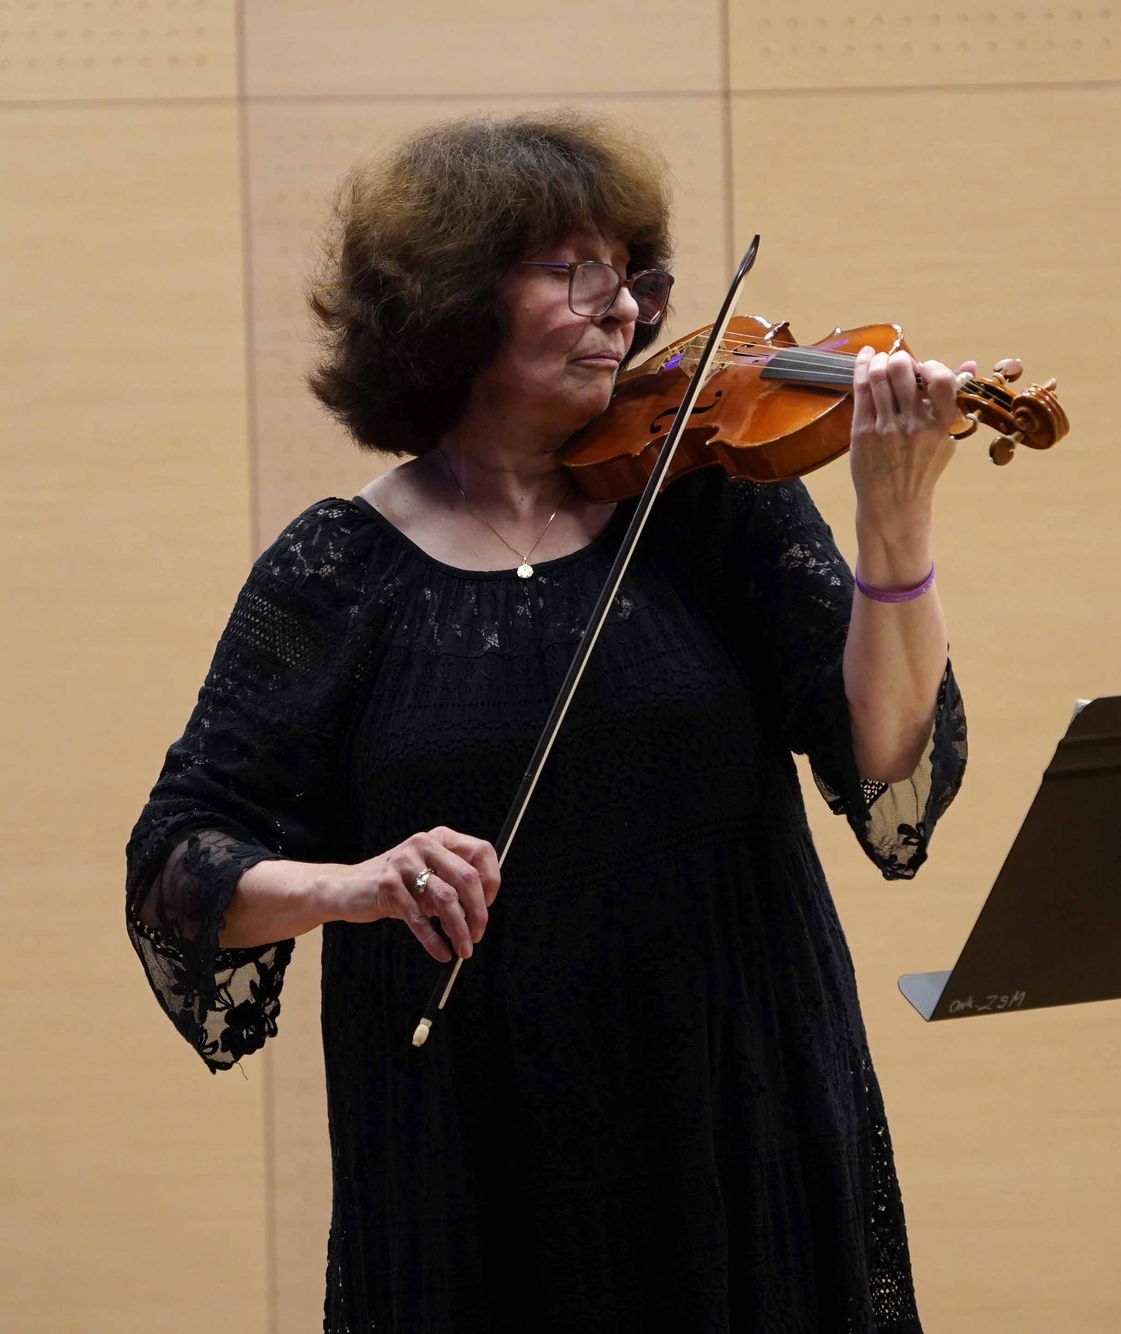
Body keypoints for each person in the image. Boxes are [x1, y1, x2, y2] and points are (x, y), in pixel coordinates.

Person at [125, 111, 968, 1333]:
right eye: (572, 271)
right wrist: (353, 885)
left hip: (736, 1101)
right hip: (471, 1140)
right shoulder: (335, 572)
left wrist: (894, 522)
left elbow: (887, 756)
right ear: (451, 298)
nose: (621, 308)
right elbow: (177, 864)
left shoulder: (704, 500)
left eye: (630, 275)